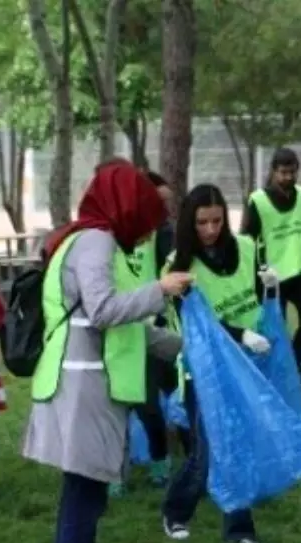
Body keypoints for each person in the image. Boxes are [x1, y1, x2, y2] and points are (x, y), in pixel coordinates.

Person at [23, 160, 191, 543]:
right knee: (88, 487)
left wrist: (186, 346)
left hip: (81, 378)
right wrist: (161, 289)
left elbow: (130, 326)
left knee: (80, 486)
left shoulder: (88, 240)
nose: (145, 231)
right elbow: (103, 311)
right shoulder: (96, 242)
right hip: (86, 382)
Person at [160, 184, 280, 543]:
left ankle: (239, 529)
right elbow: (197, 327)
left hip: (247, 364)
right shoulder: (179, 268)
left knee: (238, 444)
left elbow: (256, 298)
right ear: (188, 224)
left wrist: (270, 288)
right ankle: (176, 510)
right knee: (208, 450)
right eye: (201, 222)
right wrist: (240, 334)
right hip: (205, 370)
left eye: (216, 220)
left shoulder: (245, 248)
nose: (211, 229)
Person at [112, 170, 179, 494]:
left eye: (167, 202)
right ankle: (114, 474)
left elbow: (174, 268)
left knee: (148, 403)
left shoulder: (161, 233)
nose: (165, 208)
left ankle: (161, 460)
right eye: (158, 201)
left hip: (148, 330)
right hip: (113, 330)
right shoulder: (109, 234)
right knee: (116, 409)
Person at [241, 148, 301, 388]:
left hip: (299, 273)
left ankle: (294, 367)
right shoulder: (258, 200)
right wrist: (254, 271)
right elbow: (246, 240)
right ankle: (276, 377)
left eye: (292, 172)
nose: (288, 177)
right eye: (283, 172)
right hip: (271, 277)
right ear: (273, 172)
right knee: (277, 331)